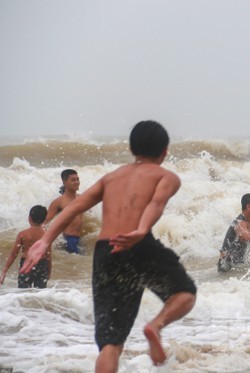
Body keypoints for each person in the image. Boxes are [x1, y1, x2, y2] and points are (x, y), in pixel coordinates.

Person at [20, 120, 197, 372]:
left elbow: (74, 208)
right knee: (184, 294)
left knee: (110, 344)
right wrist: (141, 230)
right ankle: (155, 326)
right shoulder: (166, 176)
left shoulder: (111, 177)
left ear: (132, 148)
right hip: (137, 242)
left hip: (105, 251)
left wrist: (45, 241)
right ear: (165, 151)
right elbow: (156, 204)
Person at [0, 205, 51, 288]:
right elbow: (48, 255)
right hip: (42, 264)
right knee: (40, 292)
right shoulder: (46, 235)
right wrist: (49, 271)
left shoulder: (23, 234)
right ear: (44, 219)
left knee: (23, 291)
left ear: (29, 218)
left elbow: (13, 255)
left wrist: (4, 271)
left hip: (26, 264)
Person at [45, 169, 84, 254]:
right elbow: (46, 223)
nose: (76, 182)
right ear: (64, 182)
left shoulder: (81, 198)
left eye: (77, 179)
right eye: (73, 180)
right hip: (68, 240)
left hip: (79, 239)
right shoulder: (58, 202)